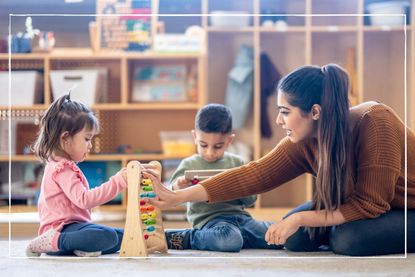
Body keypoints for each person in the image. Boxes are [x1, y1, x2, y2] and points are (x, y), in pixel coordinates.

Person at [146, 64, 415, 256]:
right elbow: (255, 174)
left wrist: (302, 218)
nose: (278, 120)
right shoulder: (305, 139)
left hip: (403, 208)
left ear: (315, 112)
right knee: (292, 238)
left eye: (285, 112)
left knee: (349, 240)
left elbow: (370, 204)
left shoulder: (375, 124)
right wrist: (176, 197)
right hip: (360, 205)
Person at [165, 104, 280, 252]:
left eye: (218, 146)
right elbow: (171, 196)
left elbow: (251, 201)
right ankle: (184, 238)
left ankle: (241, 239)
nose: (210, 152)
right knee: (229, 239)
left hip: (243, 220)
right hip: (211, 223)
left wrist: (244, 188)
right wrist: (177, 187)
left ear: (229, 140)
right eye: (203, 145)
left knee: (281, 234)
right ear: (195, 137)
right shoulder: (189, 164)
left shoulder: (237, 162)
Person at [26, 93, 128, 257]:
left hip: (76, 228)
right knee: (108, 236)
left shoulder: (61, 165)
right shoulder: (62, 168)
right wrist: (118, 182)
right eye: (87, 139)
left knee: (122, 236)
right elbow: (84, 200)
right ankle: (51, 243)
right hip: (61, 230)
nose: (90, 145)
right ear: (65, 138)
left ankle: (82, 247)